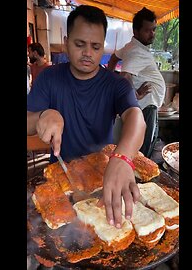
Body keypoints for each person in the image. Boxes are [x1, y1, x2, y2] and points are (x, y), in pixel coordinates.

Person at [27, 5, 146, 229]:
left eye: (96, 46)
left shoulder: (116, 84)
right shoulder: (49, 79)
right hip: (60, 177)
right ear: (66, 42)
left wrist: (123, 158)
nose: (88, 53)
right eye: (79, 44)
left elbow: (136, 118)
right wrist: (42, 116)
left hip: (106, 175)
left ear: (103, 49)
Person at [107, 7, 166, 158]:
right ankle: (137, 180)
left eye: (153, 29)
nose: (152, 34)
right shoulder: (136, 52)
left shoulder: (131, 46)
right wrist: (135, 94)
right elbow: (124, 77)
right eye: (147, 30)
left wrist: (108, 77)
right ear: (136, 31)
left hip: (145, 107)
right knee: (142, 153)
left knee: (140, 149)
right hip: (147, 108)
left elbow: (114, 58)